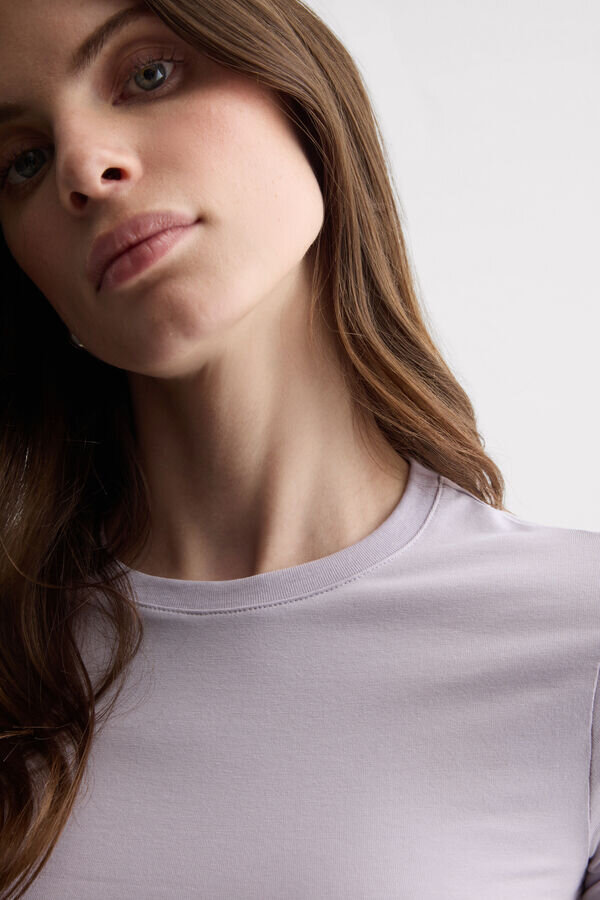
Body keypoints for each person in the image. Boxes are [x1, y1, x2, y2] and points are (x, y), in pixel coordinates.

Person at [0, 0, 598, 897]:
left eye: (148, 74)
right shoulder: (15, 667)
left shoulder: (579, 642)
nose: (84, 169)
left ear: (298, 92)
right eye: (23, 160)